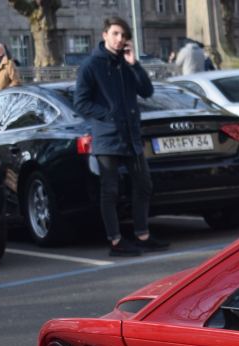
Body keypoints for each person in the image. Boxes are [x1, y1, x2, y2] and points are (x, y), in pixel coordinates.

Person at [74, 17, 169, 257]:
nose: (119, 39)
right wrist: (108, 115)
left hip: (132, 136)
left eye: (123, 36)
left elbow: (147, 91)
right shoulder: (91, 65)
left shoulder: (126, 64)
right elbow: (81, 102)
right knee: (111, 190)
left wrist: (135, 64)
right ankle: (115, 241)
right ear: (105, 34)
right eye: (115, 34)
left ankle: (142, 235)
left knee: (143, 184)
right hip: (107, 137)